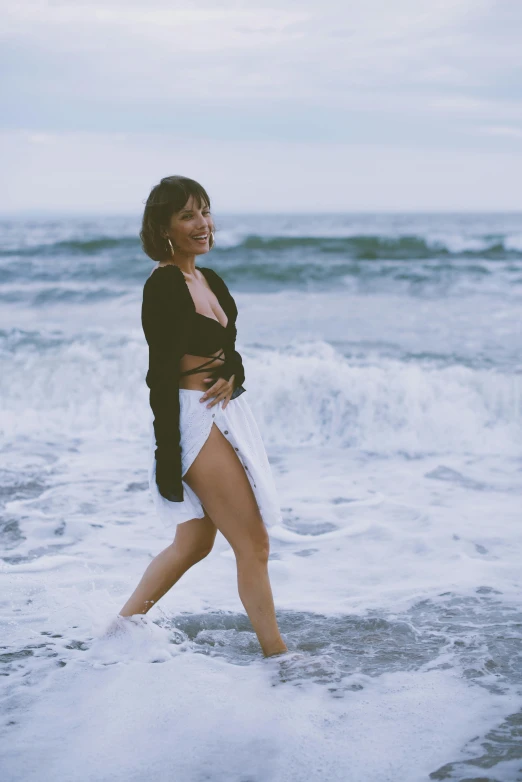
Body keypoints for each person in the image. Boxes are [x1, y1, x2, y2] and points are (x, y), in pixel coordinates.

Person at [118, 175, 288, 658]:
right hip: (192, 421)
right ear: (164, 227)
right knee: (253, 544)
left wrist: (234, 373)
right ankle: (277, 657)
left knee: (193, 544)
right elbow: (159, 374)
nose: (202, 224)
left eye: (205, 211)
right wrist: (167, 455)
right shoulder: (164, 284)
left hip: (226, 415)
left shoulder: (209, 279)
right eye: (188, 215)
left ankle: (117, 630)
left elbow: (227, 350)